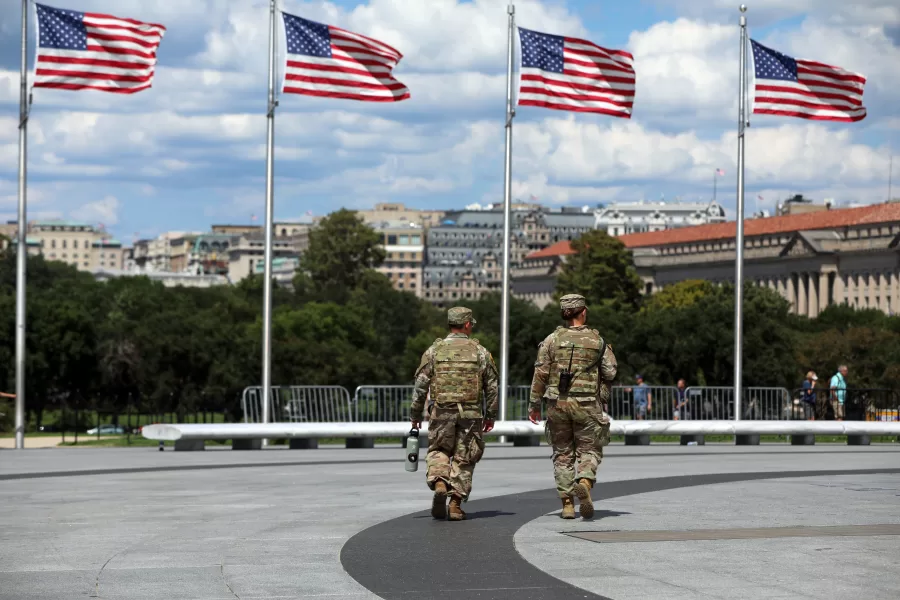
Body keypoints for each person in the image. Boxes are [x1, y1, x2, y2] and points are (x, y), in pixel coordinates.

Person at [528, 294, 617, 520]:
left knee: (562, 454)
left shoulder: (551, 340)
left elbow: (540, 374)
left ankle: (567, 505)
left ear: (564, 313)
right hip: (587, 404)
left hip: (557, 403)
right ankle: (585, 480)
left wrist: (533, 405)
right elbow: (611, 372)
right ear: (583, 311)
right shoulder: (598, 341)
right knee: (590, 448)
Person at [410, 306, 498, 522]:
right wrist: (491, 415)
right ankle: (456, 505)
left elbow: (420, 385)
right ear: (467, 324)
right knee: (465, 457)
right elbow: (492, 386)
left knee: (439, 449)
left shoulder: (434, 351)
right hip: (471, 413)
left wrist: (415, 414)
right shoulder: (480, 352)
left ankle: (440, 482)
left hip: (441, 411)